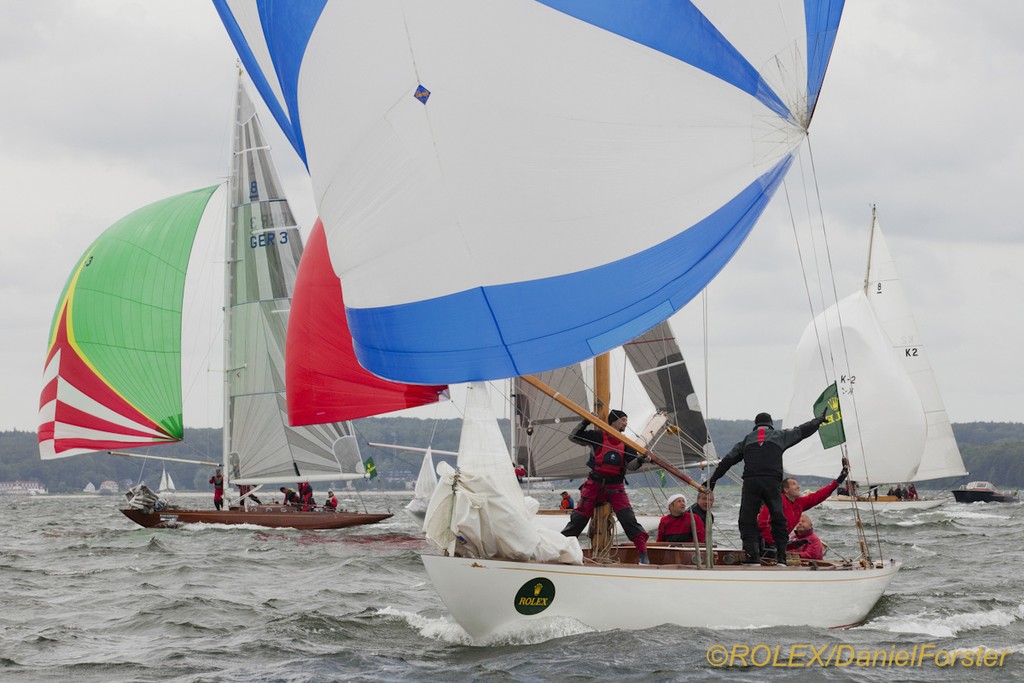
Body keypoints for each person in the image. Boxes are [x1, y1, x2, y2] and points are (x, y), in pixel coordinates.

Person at [706, 411, 826, 566]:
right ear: (771, 424)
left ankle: (753, 557)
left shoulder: (747, 440)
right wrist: (818, 421)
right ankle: (782, 559)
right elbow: (802, 430)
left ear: (755, 425)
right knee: (778, 519)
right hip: (772, 482)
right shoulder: (779, 435)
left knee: (747, 520)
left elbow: (727, 461)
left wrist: (713, 480)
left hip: (751, 482)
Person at [559, 410, 652, 564]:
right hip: (594, 484)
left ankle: (643, 554)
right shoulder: (597, 436)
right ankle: (559, 548)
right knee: (579, 519)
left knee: (628, 519)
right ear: (613, 421)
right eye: (623, 420)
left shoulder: (627, 443)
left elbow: (631, 465)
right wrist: (586, 421)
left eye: (626, 420)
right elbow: (573, 436)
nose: (626, 423)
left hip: (615, 487)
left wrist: (640, 460)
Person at [757, 472, 846, 552]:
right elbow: (763, 521)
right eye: (794, 484)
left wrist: (837, 482)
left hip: (777, 543)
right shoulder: (777, 501)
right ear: (786, 489)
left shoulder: (799, 503)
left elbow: (817, 496)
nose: (798, 486)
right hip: (762, 541)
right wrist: (771, 542)